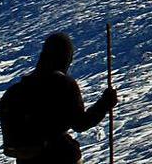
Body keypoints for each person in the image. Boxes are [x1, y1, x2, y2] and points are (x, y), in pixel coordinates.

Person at [12, 32, 118, 164]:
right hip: (60, 156)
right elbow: (80, 124)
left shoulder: (23, 86)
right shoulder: (64, 83)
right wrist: (105, 104)